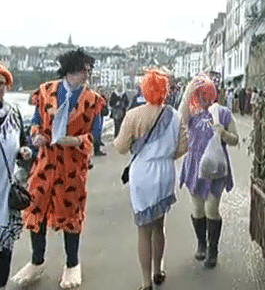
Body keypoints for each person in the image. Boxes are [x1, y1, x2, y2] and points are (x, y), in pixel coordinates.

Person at [12, 48, 105, 289]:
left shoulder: (93, 100)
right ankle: (36, 261)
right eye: (84, 69)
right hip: (45, 162)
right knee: (36, 208)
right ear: (70, 70)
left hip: (73, 166)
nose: (87, 74)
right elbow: (34, 124)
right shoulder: (45, 92)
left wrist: (76, 141)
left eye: (88, 69)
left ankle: (72, 264)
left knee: (71, 213)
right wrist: (36, 138)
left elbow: (94, 135)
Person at [114, 69, 187, 290]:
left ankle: (146, 282)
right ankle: (158, 270)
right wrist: (164, 156)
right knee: (159, 225)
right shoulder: (175, 116)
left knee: (143, 229)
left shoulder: (134, 115)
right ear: (165, 90)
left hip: (143, 173)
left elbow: (120, 147)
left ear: (144, 90)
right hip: (165, 172)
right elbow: (184, 146)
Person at [178, 73, 239, 268]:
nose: (202, 98)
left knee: (211, 208)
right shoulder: (192, 113)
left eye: (205, 93)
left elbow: (236, 139)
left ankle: (213, 250)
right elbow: (179, 119)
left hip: (215, 167)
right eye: (199, 94)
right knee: (197, 209)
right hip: (195, 165)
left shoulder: (223, 113)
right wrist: (187, 93)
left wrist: (223, 133)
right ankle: (202, 244)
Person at [0, 64, 33, 290]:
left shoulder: (14, 113)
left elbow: (23, 144)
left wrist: (25, 151)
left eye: (1, 84)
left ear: (7, 86)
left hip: (6, 187)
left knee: (5, 246)